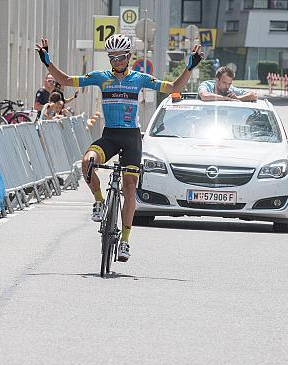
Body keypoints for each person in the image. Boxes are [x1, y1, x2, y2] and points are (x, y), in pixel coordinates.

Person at [36, 33, 203, 262]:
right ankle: (99, 201)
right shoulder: (100, 77)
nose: (116, 62)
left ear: (129, 57)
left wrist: (189, 67)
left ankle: (125, 241)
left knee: (130, 186)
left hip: (131, 138)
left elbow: (173, 86)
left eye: (121, 57)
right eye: (112, 58)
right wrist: (47, 61)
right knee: (87, 162)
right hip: (111, 136)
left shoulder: (139, 79)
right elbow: (65, 80)